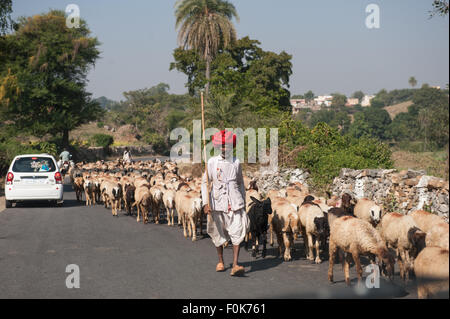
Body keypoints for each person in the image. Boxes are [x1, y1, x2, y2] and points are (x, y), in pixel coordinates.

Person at [201, 130, 249, 276]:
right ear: (218, 147)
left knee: (237, 231)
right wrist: (205, 203)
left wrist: (243, 201)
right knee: (218, 233)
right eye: (222, 145)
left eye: (227, 145)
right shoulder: (211, 162)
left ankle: (235, 264)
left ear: (231, 146)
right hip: (217, 202)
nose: (224, 148)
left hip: (234, 202)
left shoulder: (236, 162)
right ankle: (220, 261)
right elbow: (205, 182)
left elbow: (240, 183)